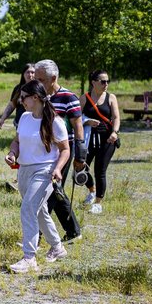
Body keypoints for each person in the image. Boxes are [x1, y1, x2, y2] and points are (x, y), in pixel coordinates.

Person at [5, 80, 70, 272]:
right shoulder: (25, 118)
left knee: (27, 209)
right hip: (24, 170)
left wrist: (58, 169)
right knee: (38, 210)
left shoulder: (55, 121)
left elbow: (65, 149)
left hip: (45, 171)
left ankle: (29, 257)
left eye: (23, 98)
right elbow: (17, 141)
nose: (20, 101)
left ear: (35, 98)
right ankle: (57, 247)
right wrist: (12, 153)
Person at [33, 60, 85, 242]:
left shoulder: (68, 98)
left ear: (53, 78)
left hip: (62, 151)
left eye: (40, 79)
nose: (36, 82)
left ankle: (36, 237)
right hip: (41, 151)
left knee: (46, 192)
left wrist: (81, 154)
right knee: (56, 190)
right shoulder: (38, 96)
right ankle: (73, 231)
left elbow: (78, 127)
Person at [81, 70, 121, 214]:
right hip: (88, 139)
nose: (106, 84)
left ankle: (98, 203)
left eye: (107, 81)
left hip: (107, 139)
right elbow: (76, 118)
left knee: (100, 171)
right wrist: (87, 121)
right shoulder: (84, 98)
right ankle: (92, 191)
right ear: (93, 82)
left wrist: (114, 133)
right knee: (80, 167)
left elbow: (116, 117)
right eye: (103, 81)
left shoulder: (111, 98)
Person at [0, 64, 36, 129]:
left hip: (35, 124)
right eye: (27, 72)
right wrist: (2, 119)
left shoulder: (39, 89)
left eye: (32, 72)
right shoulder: (18, 89)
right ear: (23, 74)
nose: (30, 75)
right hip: (20, 124)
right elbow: (11, 105)